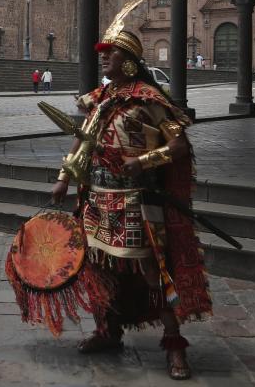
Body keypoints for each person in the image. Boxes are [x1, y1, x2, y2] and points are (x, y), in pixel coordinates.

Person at [51, 29, 211, 380]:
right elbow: (85, 144)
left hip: (135, 199)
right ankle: (107, 331)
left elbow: (179, 146)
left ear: (130, 60)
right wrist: (65, 176)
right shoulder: (100, 99)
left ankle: (173, 343)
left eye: (111, 53)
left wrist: (144, 161)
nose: (104, 58)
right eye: (103, 53)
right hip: (96, 198)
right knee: (98, 270)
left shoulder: (152, 100)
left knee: (153, 272)